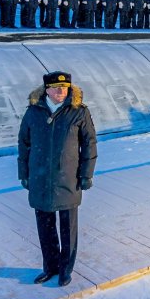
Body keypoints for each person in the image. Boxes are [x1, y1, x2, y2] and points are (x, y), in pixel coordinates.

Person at [18, 71, 97, 287]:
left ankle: (65, 270)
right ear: (47, 89)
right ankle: (49, 268)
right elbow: (24, 144)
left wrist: (86, 174)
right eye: (56, 87)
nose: (61, 91)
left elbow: (89, 145)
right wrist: (24, 174)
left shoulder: (79, 112)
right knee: (45, 227)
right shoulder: (33, 113)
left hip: (68, 179)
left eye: (65, 87)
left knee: (67, 227)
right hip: (40, 179)